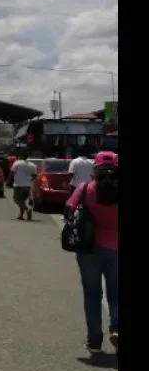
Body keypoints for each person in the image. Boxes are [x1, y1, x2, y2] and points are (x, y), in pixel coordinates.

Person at [66, 151, 118, 354]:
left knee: (92, 294)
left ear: (94, 169)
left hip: (89, 249)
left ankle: (94, 340)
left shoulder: (85, 188)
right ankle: (117, 328)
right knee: (116, 294)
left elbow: (69, 210)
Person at [10, 153, 37, 220]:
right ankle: (21, 215)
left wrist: (8, 182)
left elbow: (12, 173)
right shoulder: (32, 165)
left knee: (16, 199)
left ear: (21, 156)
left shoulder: (17, 163)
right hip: (27, 186)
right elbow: (35, 176)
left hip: (18, 185)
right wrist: (30, 180)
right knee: (22, 201)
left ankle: (27, 209)